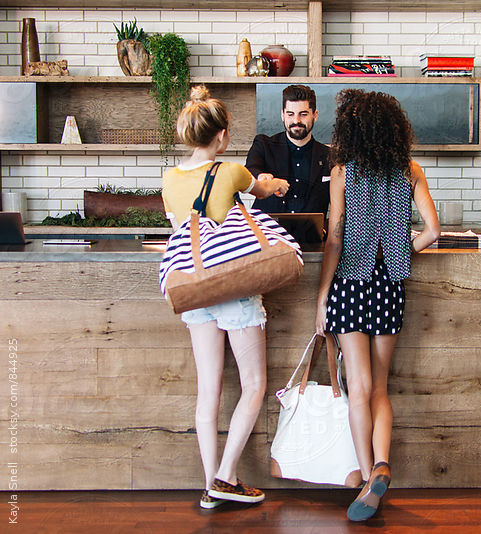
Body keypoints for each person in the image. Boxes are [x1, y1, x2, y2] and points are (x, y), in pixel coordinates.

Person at [161, 85, 290, 510]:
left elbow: (179, 225)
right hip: (233, 285)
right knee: (254, 384)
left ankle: (208, 487)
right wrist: (276, 184)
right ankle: (226, 477)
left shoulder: (169, 179)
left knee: (208, 393)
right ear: (221, 135)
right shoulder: (231, 171)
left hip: (197, 290)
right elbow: (263, 187)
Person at [314, 89, 440, 522]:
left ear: (349, 130)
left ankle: (370, 479)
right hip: (389, 287)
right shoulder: (410, 169)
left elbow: (333, 239)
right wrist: (402, 251)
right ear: (392, 128)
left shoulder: (342, 173)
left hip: (350, 284)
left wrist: (321, 298)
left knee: (358, 390)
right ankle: (382, 461)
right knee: (382, 389)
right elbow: (433, 231)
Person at [245, 84, 332, 242]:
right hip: (266, 243)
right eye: (290, 114)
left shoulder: (330, 157)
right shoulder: (263, 145)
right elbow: (250, 170)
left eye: (303, 114)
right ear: (282, 115)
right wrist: (261, 177)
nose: (296, 121)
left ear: (315, 115)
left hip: (312, 244)